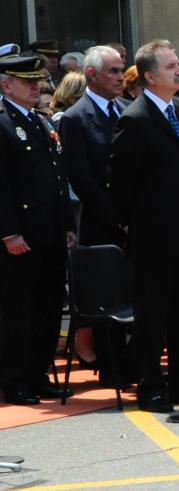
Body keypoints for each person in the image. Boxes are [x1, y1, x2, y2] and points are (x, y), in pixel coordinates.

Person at [109, 39, 179, 413]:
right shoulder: (135, 118)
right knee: (152, 317)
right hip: (152, 238)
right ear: (149, 75)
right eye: (171, 66)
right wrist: (136, 228)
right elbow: (121, 186)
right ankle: (151, 386)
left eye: (178, 64)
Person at [0, 55, 75, 405]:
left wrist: (68, 225)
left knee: (47, 307)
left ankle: (38, 373)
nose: (36, 87)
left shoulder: (42, 122)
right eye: (26, 81)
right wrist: (9, 232)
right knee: (19, 311)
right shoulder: (2, 123)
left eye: (37, 81)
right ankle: (15, 380)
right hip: (22, 236)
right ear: (6, 85)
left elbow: (58, 180)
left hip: (50, 231)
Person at [59, 45, 129, 381]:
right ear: (91, 75)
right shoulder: (75, 118)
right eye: (113, 71)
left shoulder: (128, 110)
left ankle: (137, 365)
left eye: (121, 70)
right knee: (109, 299)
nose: (120, 77)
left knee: (137, 296)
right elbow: (82, 178)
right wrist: (117, 216)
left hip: (136, 222)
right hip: (103, 224)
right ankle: (112, 367)